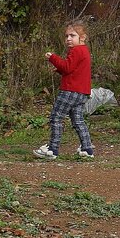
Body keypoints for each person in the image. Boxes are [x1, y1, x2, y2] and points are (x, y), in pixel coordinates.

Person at [33, 22, 95, 160]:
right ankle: (87, 148)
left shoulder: (77, 50)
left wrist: (52, 58)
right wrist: (59, 69)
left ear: (82, 38)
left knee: (56, 117)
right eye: (66, 36)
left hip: (70, 91)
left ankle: (52, 149)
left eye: (72, 35)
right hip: (82, 92)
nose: (68, 39)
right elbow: (73, 70)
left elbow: (67, 67)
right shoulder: (84, 51)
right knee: (78, 120)